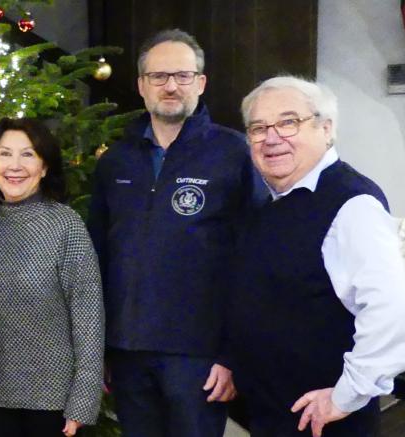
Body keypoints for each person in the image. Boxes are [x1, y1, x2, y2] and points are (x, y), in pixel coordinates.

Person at [85, 29, 265, 437]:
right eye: (159, 76)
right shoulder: (116, 162)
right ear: (141, 86)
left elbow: (253, 261)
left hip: (199, 355)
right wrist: (99, 350)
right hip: (127, 350)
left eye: (183, 76)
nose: (171, 86)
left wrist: (232, 354)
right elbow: (97, 257)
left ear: (200, 83)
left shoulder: (234, 154)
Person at [230, 76, 405, 437]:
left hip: (324, 420)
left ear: (326, 129)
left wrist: (346, 396)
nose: (271, 137)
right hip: (276, 413)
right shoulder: (274, 202)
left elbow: (391, 312)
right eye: (258, 127)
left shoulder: (353, 204)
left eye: (288, 122)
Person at [0, 118, 104, 437]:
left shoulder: (66, 226)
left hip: (54, 402)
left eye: (28, 155)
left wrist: (84, 399)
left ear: (45, 167)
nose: (14, 166)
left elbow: (88, 316)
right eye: (4, 154)